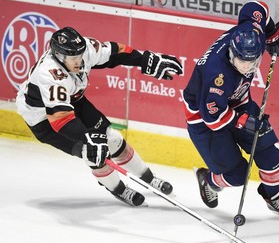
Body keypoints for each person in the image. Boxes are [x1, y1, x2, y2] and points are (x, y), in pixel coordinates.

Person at [16, 27, 183, 207]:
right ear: (59, 56)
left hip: (73, 100)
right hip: (44, 120)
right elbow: (60, 118)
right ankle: (118, 189)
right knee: (93, 152)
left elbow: (115, 52)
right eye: (74, 58)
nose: (80, 61)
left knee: (113, 139)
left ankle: (149, 178)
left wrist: (144, 60)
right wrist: (86, 137)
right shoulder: (49, 74)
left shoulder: (84, 49)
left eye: (80, 55)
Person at [182, 1, 279, 218]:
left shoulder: (253, 33)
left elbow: (256, 7)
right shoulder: (217, 75)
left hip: (238, 103)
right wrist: (243, 122)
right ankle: (209, 181)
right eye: (241, 61)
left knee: (269, 153)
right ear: (232, 51)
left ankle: (274, 199)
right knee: (237, 175)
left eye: (252, 62)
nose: (247, 67)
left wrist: (272, 33)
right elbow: (213, 117)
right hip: (204, 120)